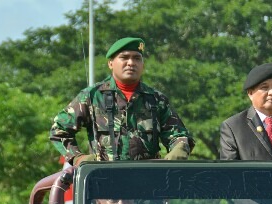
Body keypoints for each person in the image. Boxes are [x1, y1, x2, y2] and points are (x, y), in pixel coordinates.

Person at [51, 37, 193, 165]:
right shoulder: (92, 96)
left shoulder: (156, 99)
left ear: (143, 65)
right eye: (124, 57)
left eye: (137, 58)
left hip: (148, 184)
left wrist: (179, 149)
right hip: (104, 184)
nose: (131, 63)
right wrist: (78, 158)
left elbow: (178, 136)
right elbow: (59, 129)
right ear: (111, 63)